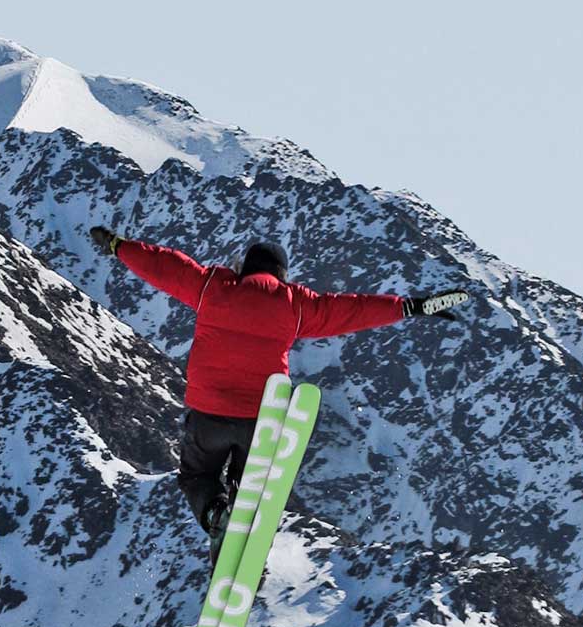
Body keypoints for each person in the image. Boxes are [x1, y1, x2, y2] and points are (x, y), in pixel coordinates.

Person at [90, 227, 468, 541]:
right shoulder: (295, 305)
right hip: (262, 418)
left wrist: (119, 247)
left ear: (245, 267)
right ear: (282, 273)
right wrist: (408, 307)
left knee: (197, 476)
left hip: (208, 415)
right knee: (248, 487)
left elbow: (166, 265)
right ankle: (238, 519)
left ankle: (214, 514)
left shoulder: (212, 288)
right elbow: (351, 309)